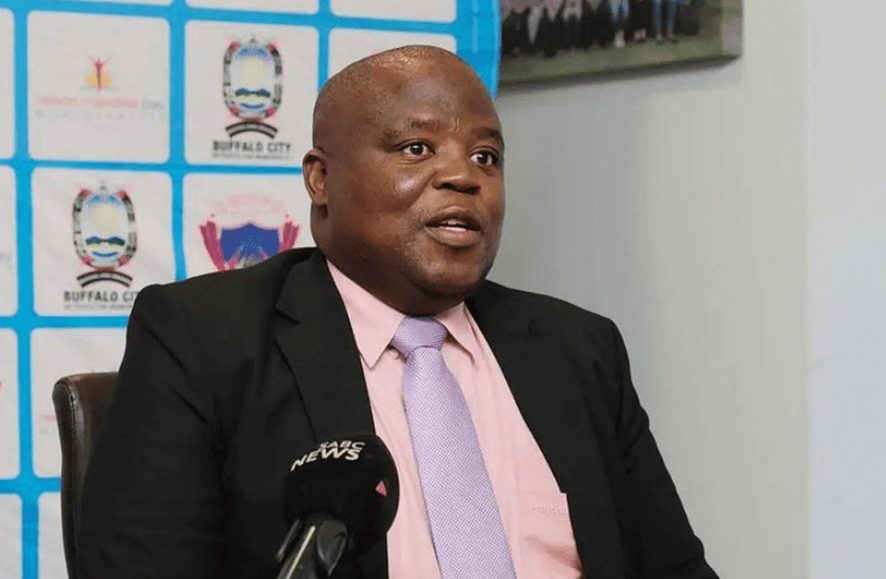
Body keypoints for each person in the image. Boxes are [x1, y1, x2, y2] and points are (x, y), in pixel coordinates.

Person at [80, 46, 718, 579]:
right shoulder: (205, 340)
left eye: (486, 157)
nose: (463, 177)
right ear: (321, 179)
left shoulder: (578, 350)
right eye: (417, 148)